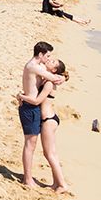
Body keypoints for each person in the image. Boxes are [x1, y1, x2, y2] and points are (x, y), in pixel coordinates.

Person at [15, 42, 68, 190]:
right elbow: (55, 77)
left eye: (52, 59)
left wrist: (21, 96)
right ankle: (50, 182)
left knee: (48, 153)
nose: (49, 59)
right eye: (48, 56)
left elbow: (55, 80)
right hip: (36, 112)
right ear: (41, 55)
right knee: (39, 149)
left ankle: (61, 184)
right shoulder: (36, 68)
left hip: (46, 117)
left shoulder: (46, 78)